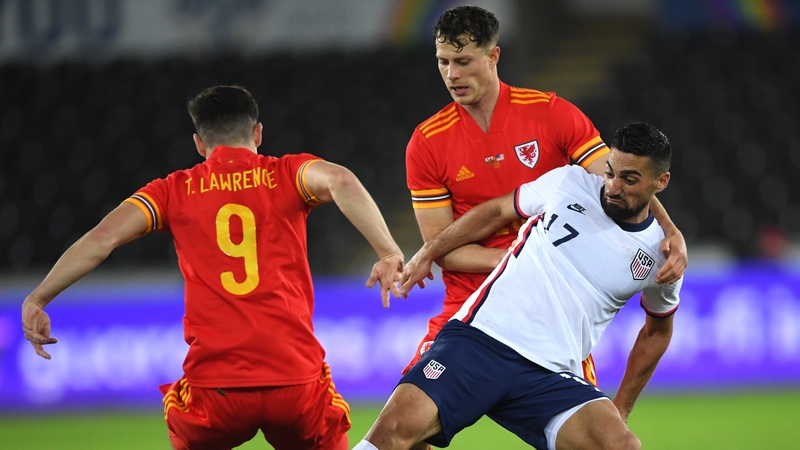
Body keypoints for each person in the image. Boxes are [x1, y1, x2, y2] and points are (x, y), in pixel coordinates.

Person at [21, 85, 404, 450]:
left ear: (199, 143)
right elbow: (340, 179)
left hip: (216, 392)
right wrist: (387, 252)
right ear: (257, 133)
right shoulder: (288, 173)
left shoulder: (172, 190)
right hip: (295, 382)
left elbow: (102, 239)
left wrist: (40, 297)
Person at [402, 5, 687, 394]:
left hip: (555, 312)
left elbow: (619, 180)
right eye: (443, 62)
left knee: (593, 435)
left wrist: (671, 230)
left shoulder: (551, 114)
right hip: (471, 305)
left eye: (464, 61)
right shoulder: (427, 143)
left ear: (493, 56)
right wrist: (525, 261)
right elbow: (444, 249)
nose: (452, 74)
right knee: (406, 419)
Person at [354, 122, 682, 450]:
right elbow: (497, 210)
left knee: (621, 446)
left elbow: (657, 332)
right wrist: (430, 250)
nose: (612, 186)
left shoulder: (661, 255)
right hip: (480, 341)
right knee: (392, 435)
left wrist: (621, 407)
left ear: (660, 181)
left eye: (629, 180)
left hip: (551, 375)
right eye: (610, 172)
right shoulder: (568, 182)